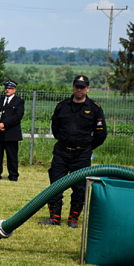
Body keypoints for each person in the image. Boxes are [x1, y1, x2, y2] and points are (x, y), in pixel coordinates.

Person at [40, 75, 107, 228]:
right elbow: (55, 128)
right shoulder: (62, 106)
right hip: (61, 153)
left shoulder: (94, 108)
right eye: (77, 86)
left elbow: (101, 134)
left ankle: (73, 219)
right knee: (55, 184)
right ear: (73, 87)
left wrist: (86, 147)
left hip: (82, 155)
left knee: (80, 187)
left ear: (87, 89)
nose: (79, 89)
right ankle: (54, 218)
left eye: (82, 87)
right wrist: (66, 142)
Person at [0, 80, 25, 181]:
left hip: (11, 132)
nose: (7, 90)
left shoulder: (19, 101)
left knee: (12, 156)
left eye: (9, 88)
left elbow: (18, 116)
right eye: (6, 88)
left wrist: (4, 124)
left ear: (14, 90)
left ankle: (13, 175)